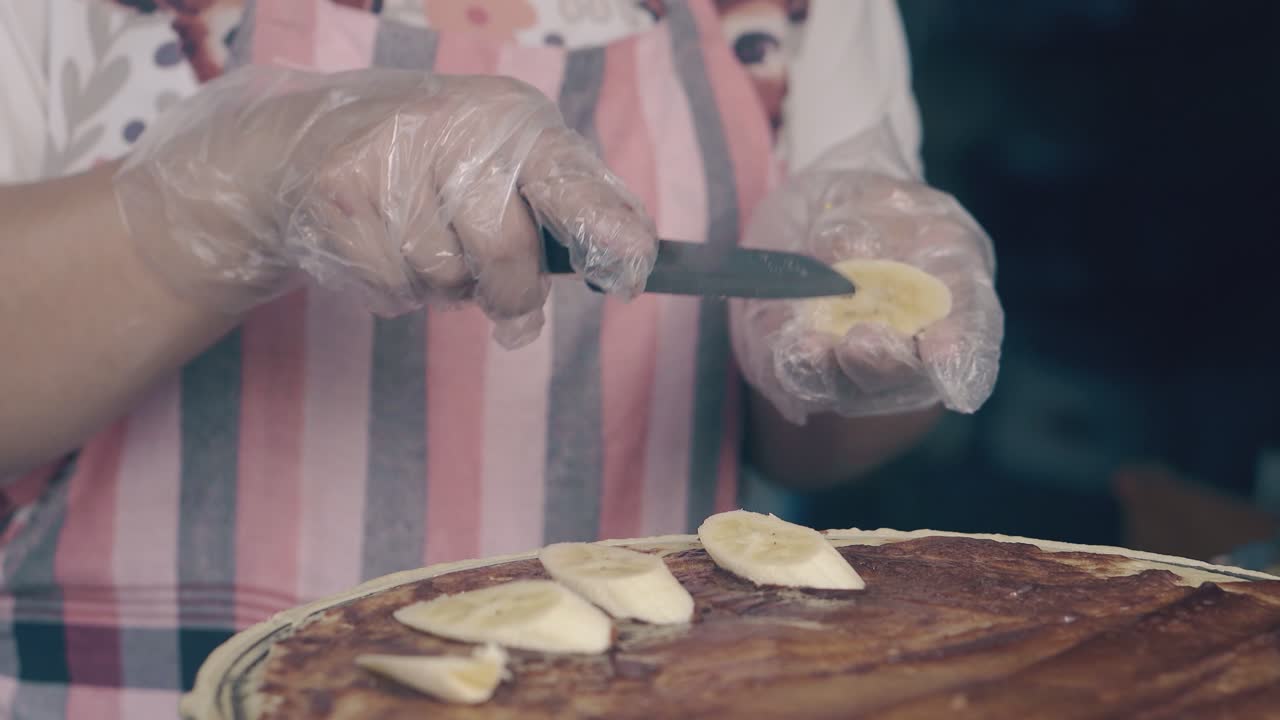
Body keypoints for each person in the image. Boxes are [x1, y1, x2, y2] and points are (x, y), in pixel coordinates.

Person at [0, 0, 1003, 715]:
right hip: (137, 688)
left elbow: (817, 455)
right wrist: (235, 189)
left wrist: (867, 343)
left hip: (634, 694)